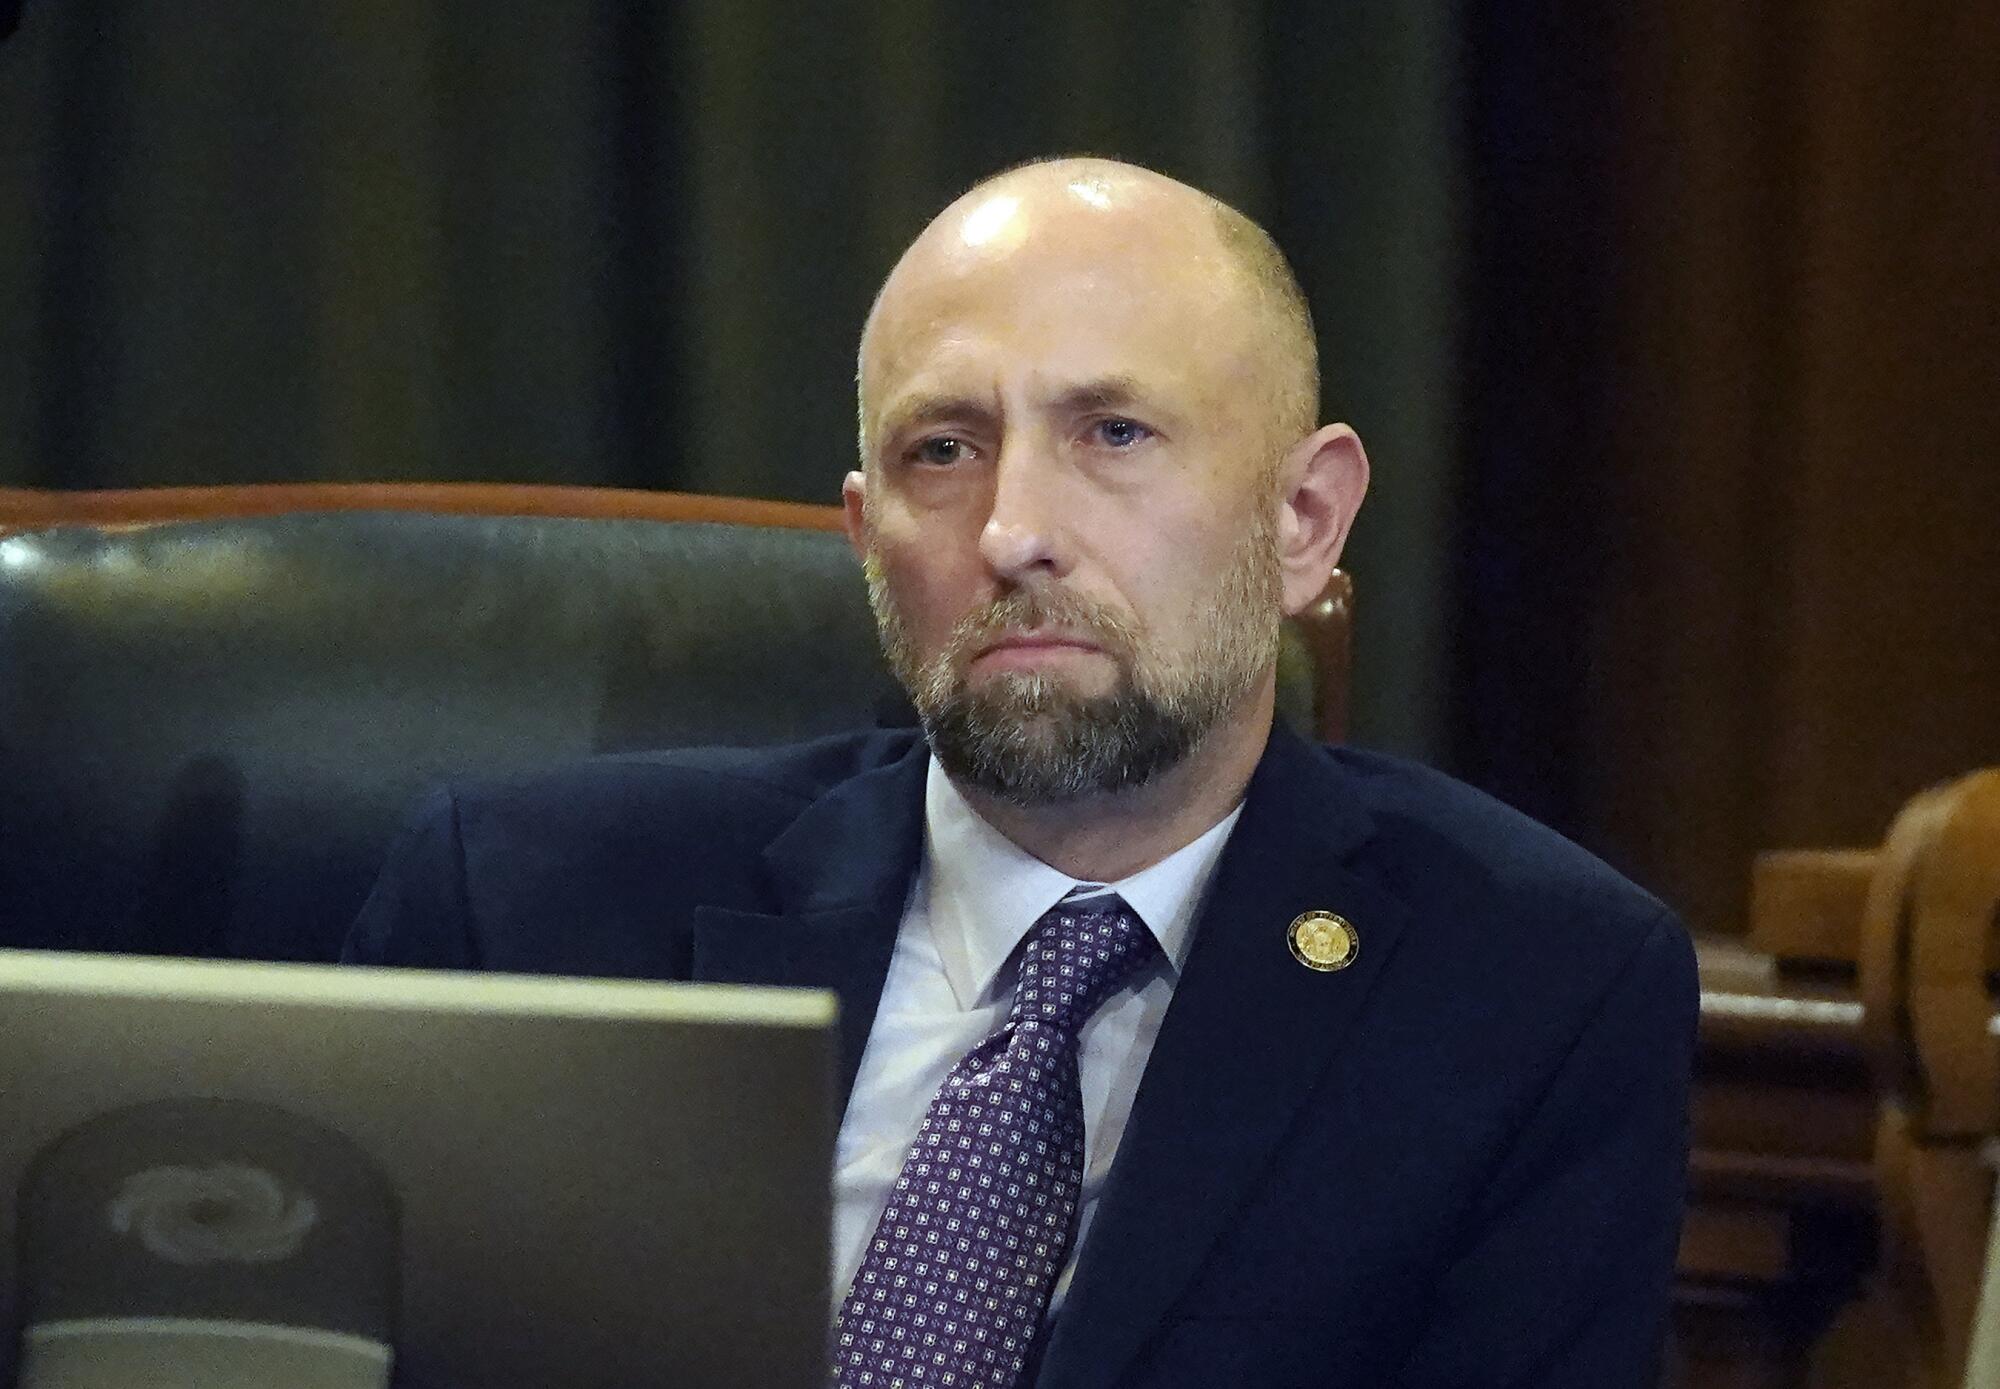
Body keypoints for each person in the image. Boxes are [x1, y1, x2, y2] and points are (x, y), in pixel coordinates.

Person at [346, 157, 1697, 1389]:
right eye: (944, 449)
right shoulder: (520, 914)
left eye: (1113, 433)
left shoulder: (1528, 993)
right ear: (869, 539)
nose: (1013, 532)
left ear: (1304, 520)